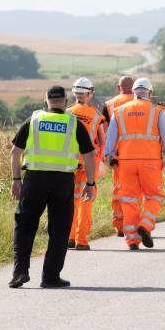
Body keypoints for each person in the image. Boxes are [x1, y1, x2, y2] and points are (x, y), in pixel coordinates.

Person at [9, 86, 96, 288]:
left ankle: (20, 272)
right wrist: (90, 183)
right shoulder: (73, 123)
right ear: (65, 101)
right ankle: (50, 277)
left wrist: (16, 179)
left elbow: (15, 152)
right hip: (63, 182)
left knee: (25, 225)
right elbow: (90, 155)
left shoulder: (34, 120)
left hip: (34, 179)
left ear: (46, 100)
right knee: (59, 229)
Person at [104, 78, 165, 250]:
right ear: (149, 93)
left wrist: (109, 156)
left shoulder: (119, 111)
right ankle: (145, 224)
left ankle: (132, 240)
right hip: (150, 162)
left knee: (129, 200)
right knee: (155, 196)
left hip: (125, 163)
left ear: (134, 92)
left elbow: (110, 139)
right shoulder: (157, 111)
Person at [67, 77, 106, 250]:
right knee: (86, 201)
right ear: (89, 94)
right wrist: (101, 160)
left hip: (68, 164)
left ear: (74, 94)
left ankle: (69, 238)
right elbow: (102, 141)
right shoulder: (97, 116)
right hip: (89, 164)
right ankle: (81, 240)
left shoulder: (66, 113)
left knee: (70, 202)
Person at [104, 76, 135, 237]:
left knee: (119, 189)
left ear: (118, 87)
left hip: (116, 155)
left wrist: (107, 154)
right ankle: (134, 223)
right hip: (137, 154)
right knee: (135, 191)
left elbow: (105, 131)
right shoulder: (143, 103)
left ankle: (120, 225)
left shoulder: (109, 105)